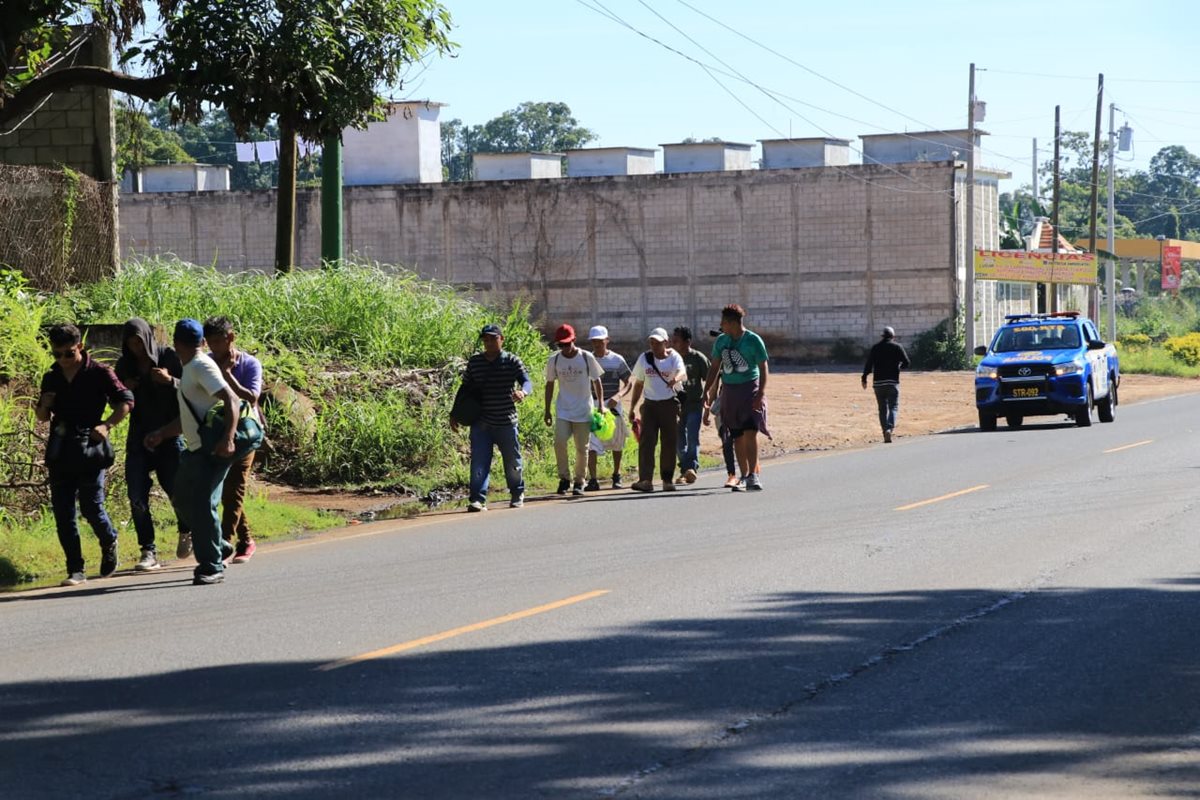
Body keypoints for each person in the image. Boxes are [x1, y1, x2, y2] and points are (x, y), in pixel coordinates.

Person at [36, 324, 134, 586]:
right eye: (57, 354)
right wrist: (45, 405)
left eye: (68, 353)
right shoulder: (52, 377)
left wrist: (106, 425)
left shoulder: (100, 372)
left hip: (90, 446)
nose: (63, 360)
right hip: (61, 448)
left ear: (79, 347)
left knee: (92, 507)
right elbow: (42, 416)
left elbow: (126, 401)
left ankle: (109, 539)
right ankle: (75, 569)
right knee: (63, 512)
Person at [144, 319, 239, 586]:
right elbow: (190, 415)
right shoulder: (189, 369)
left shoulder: (200, 366)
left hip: (214, 448)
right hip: (195, 448)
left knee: (202, 503)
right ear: (202, 342)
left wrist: (228, 438)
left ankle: (211, 565)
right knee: (181, 500)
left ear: (175, 344)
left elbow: (231, 399)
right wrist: (162, 433)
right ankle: (217, 544)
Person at [114, 318, 187, 571]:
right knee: (136, 495)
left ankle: (186, 529)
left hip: (169, 435)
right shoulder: (124, 365)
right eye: (130, 343)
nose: (136, 347)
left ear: (147, 338)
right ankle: (148, 550)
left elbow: (193, 391)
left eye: (139, 341)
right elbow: (116, 400)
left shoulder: (169, 358)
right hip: (138, 438)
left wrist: (170, 381)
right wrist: (125, 388)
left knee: (176, 492)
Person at [453, 323, 532, 512]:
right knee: (479, 461)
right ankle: (478, 499)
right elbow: (465, 388)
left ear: (501, 339)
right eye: (485, 339)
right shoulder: (475, 362)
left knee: (513, 461)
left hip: (506, 421)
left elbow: (527, 381)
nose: (488, 342)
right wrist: (454, 413)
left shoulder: (512, 360)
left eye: (492, 338)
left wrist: (523, 392)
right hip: (481, 422)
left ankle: (516, 493)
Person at [204, 317, 263, 563]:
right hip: (213, 431)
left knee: (235, 486)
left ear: (231, 337)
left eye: (219, 340)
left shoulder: (249, 363)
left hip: (245, 433)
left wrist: (227, 374)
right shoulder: (204, 363)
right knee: (220, 488)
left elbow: (251, 396)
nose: (215, 347)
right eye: (211, 342)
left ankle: (224, 546)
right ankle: (246, 539)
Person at [703, 304, 770, 492]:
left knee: (750, 432)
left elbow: (763, 368)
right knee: (737, 436)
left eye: (723, 322)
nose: (721, 326)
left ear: (732, 323)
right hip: (730, 392)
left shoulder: (753, 340)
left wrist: (761, 393)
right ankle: (744, 474)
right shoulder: (721, 341)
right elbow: (714, 367)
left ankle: (753, 476)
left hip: (749, 388)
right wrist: (706, 391)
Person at [544, 323, 604, 496]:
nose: (564, 348)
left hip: (583, 410)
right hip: (564, 409)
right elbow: (549, 385)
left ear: (574, 340)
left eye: (567, 344)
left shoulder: (586, 358)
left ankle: (579, 481)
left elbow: (596, 381)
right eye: (560, 345)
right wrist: (547, 410)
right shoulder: (554, 360)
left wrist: (600, 404)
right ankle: (564, 478)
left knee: (582, 448)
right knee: (559, 441)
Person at [627, 328, 686, 493]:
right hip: (650, 406)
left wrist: (675, 379)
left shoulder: (673, 357)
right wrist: (632, 408)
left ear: (665, 343)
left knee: (669, 442)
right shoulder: (645, 358)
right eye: (651, 342)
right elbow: (638, 383)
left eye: (658, 343)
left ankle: (667, 480)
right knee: (647, 443)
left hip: (669, 404)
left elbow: (682, 371)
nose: (654, 346)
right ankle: (646, 480)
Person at [584, 325, 631, 491]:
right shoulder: (588, 359)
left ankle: (616, 474)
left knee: (617, 441)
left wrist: (617, 397)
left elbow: (628, 382)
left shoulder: (617, 360)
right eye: (594, 341)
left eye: (600, 341)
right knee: (591, 443)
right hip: (594, 405)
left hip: (612, 405)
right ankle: (593, 479)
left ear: (607, 341)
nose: (597, 344)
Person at [672, 326, 709, 484]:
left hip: (694, 405)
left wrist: (708, 399)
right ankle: (685, 470)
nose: (673, 344)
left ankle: (690, 468)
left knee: (693, 437)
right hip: (676, 407)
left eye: (677, 341)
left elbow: (711, 378)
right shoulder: (671, 359)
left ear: (687, 342)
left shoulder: (698, 358)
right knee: (679, 440)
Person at [861, 325, 911, 443]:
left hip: (878, 384)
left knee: (882, 409)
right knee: (893, 406)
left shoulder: (875, 348)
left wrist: (864, 378)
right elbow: (907, 362)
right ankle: (889, 428)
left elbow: (869, 365)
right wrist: (899, 367)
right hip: (892, 382)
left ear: (882, 336)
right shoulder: (897, 347)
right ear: (893, 336)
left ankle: (885, 432)